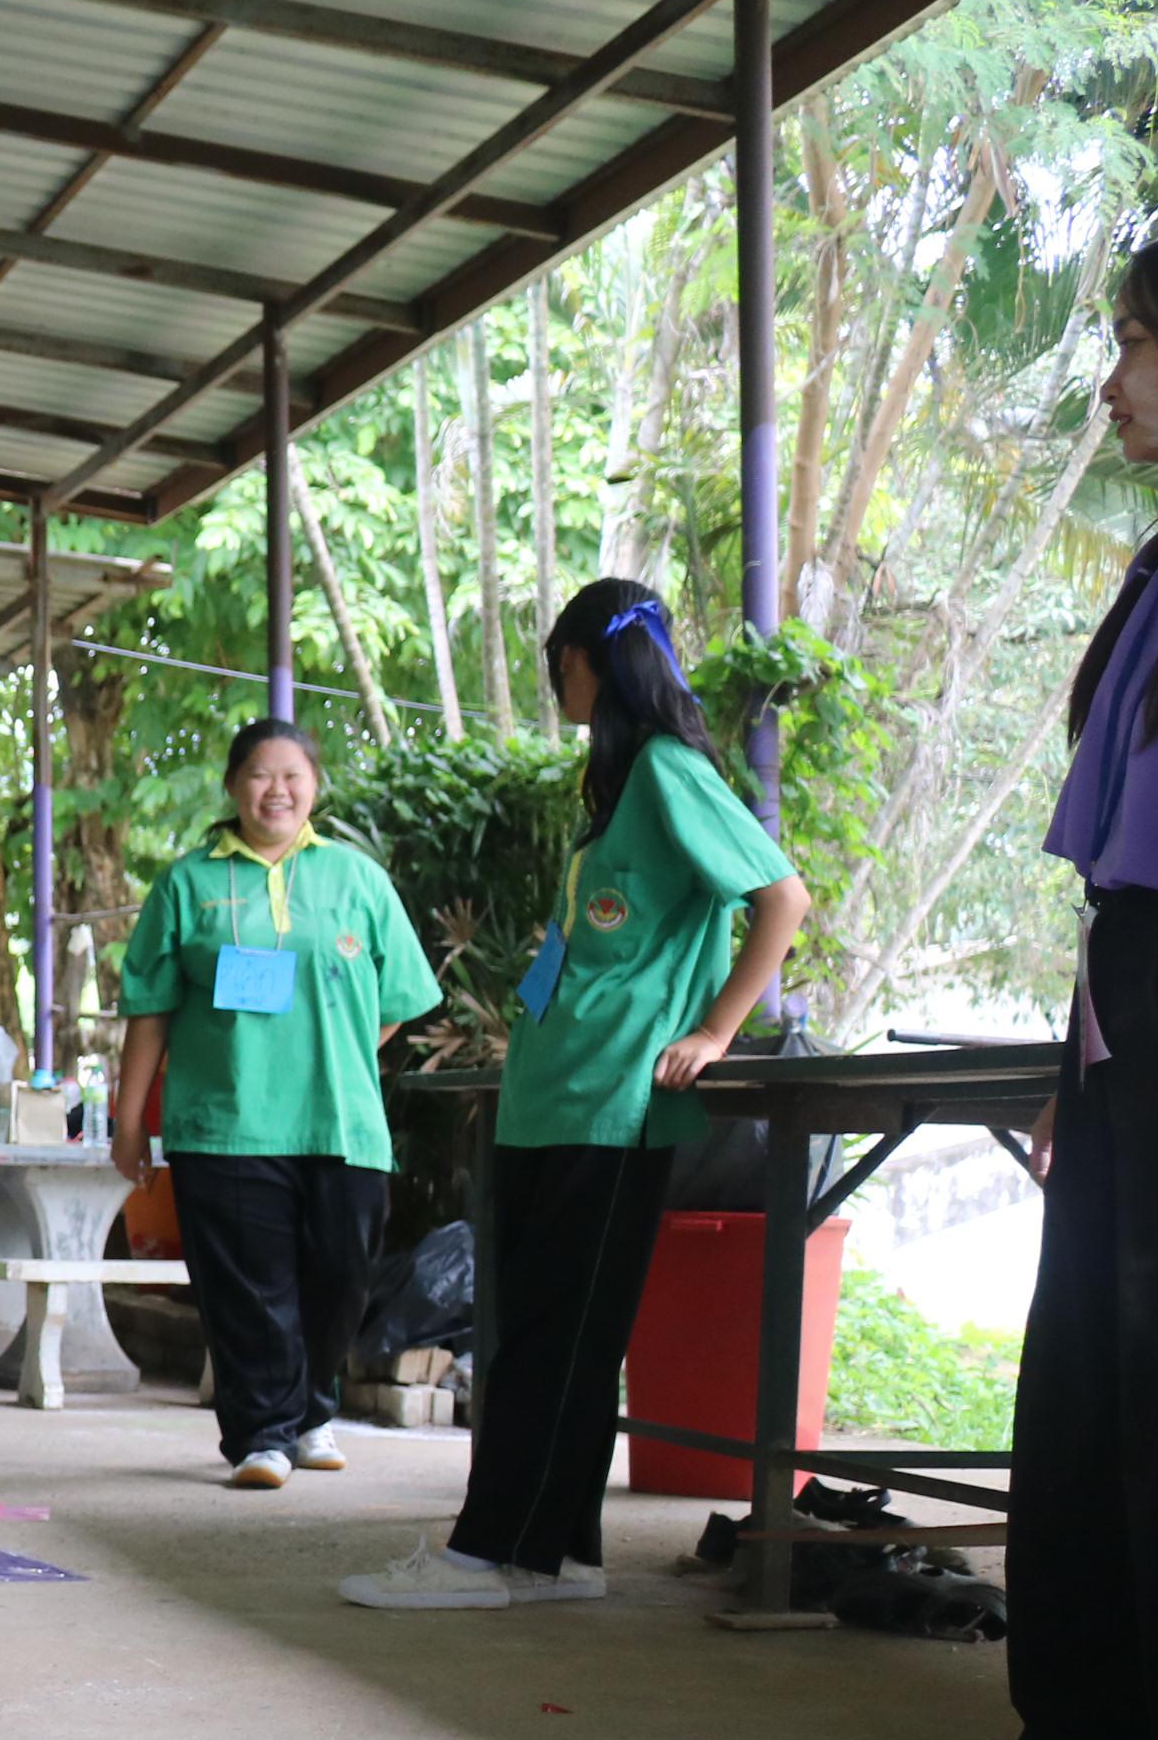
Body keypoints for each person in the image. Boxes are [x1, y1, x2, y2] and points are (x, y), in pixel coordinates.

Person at [928, 213, 1158, 1740]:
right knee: (1085, 1384)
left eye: (1137, 339)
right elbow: (1119, 840)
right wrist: (1084, 1052)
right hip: (1126, 993)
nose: (1111, 376)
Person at [341, 579, 808, 1611]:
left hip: (611, 1099)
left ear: (599, 658)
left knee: (559, 1337)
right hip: (558, 1093)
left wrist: (717, 1029)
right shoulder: (624, 789)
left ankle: (485, 1556)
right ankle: (560, 1556)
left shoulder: (670, 771)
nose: (558, 677)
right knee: (548, 1330)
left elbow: (782, 895)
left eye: (563, 656)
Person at [115, 719, 442, 1488]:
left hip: (341, 1119)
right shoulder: (189, 883)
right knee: (246, 1287)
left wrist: (337, 1050)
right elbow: (151, 1010)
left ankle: (312, 1411)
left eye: (293, 775)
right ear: (232, 787)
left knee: (341, 1275)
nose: (277, 790)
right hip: (226, 1121)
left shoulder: (356, 879)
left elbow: (394, 1003)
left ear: (315, 788)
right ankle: (263, 1432)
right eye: (260, 774)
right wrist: (130, 1121)